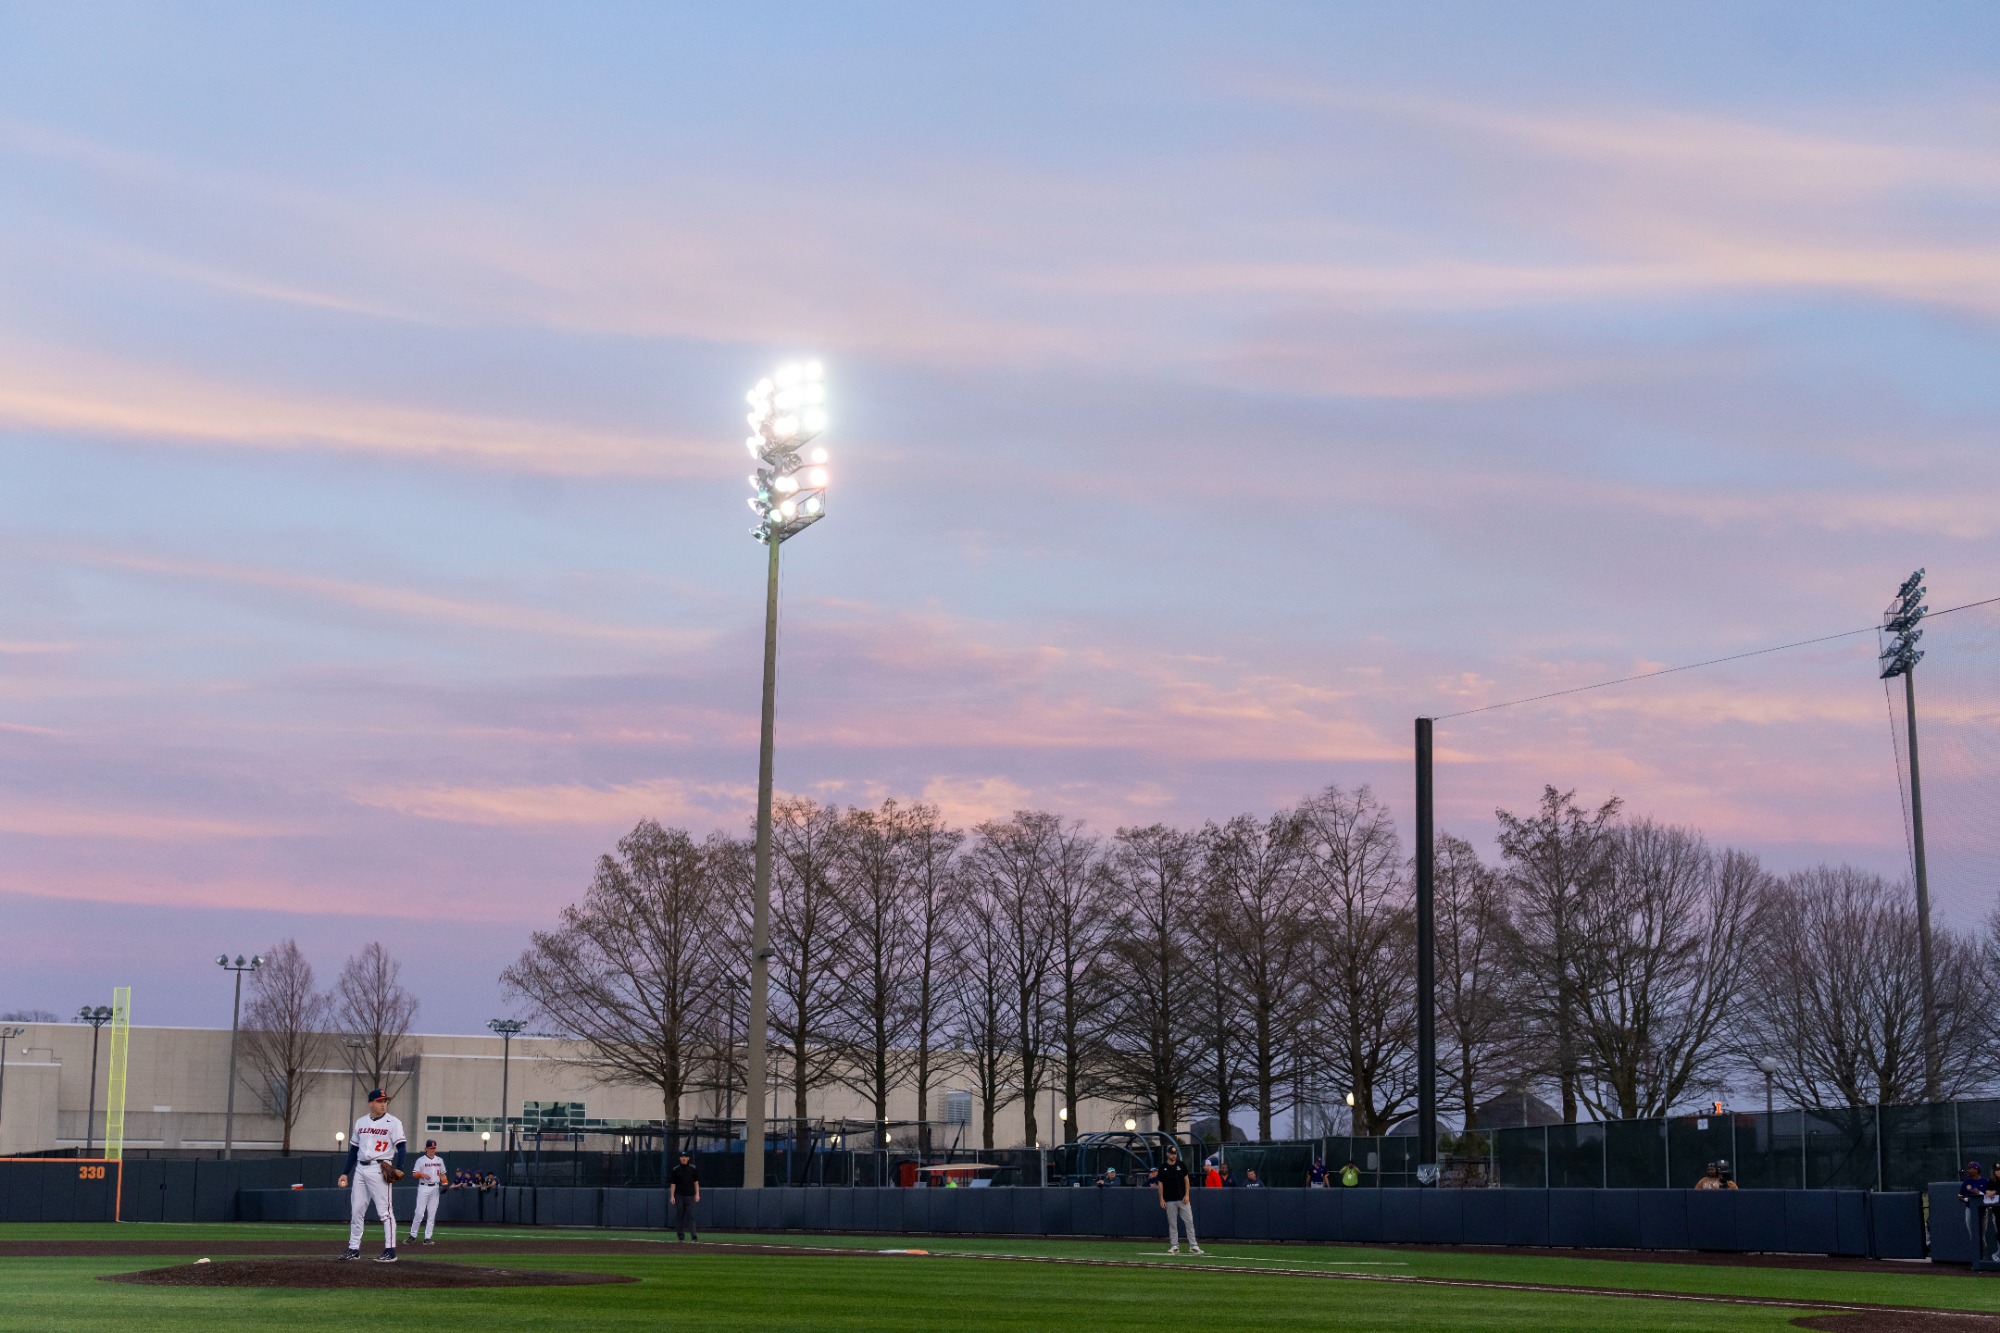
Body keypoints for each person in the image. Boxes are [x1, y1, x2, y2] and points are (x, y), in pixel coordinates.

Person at [335, 1088, 407, 1263]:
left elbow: (402, 1147)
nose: (383, 1104)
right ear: (371, 1103)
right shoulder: (360, 1122)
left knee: (385, 1212)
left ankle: (390, 1250)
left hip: (380, 1168)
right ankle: (354, 1249)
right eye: (379, 1101)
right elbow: (353, 1150)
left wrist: (400, 1167)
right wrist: (345, 1172)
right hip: (360, 1168)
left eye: (385, 1101)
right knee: (357, 1210)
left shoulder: (393, 1122)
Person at [1156, 1147, 1201, 1256]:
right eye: (1172, 1154)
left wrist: (1187, 1195)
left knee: (1189, 1221)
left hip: (1182, 1199)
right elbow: (1160, 1184)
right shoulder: (1163, 1168)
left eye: (1175, 1154)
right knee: (1173, 1224)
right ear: (1167, 1154)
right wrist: (1161, 1198)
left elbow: (1186, 1180)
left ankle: (1193, 1245)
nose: (1174, 1156)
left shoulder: (1181, 1165)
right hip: (1170, 1200)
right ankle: (1175, 1245)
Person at [408, 1139, 448, 1245]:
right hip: (423, 1187)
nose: (432, 1150)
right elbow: (414, 1174)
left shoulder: (439, 1160)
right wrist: (422, 1175)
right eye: (430, 1148)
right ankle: (412, 1235)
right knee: (419, 1212)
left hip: (435, 1187)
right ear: (426, 1148)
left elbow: (443, 1175)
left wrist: (445, 1183)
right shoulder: (420, 1160)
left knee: (432, 1213)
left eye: (434, 1148)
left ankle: (427, 1238)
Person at [670, 1149, 701, 1242]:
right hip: (679, 1196)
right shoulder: (675, 1170)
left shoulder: (693, 1169)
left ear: (688, 1158)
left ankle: (694, 1237)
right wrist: (672, 1196)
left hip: (690, 1196)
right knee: (680, 1216)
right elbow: (673, 1184)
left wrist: (697, 1194)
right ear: (680, 1158)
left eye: (685, 1157)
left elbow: (696, 1182)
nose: (684, 1159)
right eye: (682, 1157)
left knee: (691, 1216)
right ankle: (681, 1237)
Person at [1962, 1162, 1989, 1258]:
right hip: (1970, 1209)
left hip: (1982, 1210)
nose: (1969, 1170)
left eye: (1971, 1168)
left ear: (1976, 1170)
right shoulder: (1967, 1182)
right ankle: (1975, 1257)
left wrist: (1980, 1193)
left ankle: (1983, 1257)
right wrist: (1965, 1199)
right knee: (1972, 1234)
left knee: (1981, 1235)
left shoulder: (1985, 1181)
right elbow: (1960, 1195)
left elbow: (1989, 1196)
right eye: (1969, 1168)